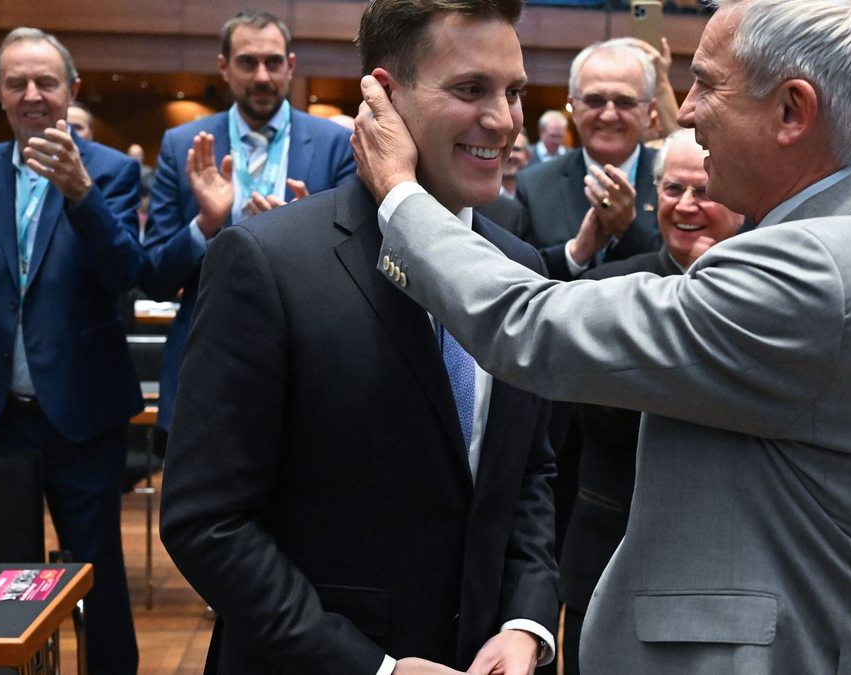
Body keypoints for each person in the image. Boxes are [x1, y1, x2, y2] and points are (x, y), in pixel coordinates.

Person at [351, 0, 851, 672]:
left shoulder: (821, 267)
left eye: (709, 84)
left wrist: (399, 196)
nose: (685, 111)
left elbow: (532, 328)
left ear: (792, 112)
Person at [158, 0, 558, 672]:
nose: (504, 120)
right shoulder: (266, 261)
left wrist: (526, 621)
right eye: (471, 89)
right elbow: (208, 522)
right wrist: (374, 668)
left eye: (514, 91)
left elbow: (527, 475)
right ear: (383, 96)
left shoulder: (520, 267)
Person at [0, 28, 144, 675]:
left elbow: (126, 274)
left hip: (80, 414)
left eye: (46, 82)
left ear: (71, 91)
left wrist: (83, 196)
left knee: (96, 576)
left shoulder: (112, 170)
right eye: (16, 82)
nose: (33, 94)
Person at [559, 128, 742, 675]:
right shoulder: (611, 288)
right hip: (612, 543)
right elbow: (595, 412)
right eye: (671, 189)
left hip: (726, 561)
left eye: (704, 191)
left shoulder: (772, 292)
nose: (686, 206)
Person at [140, 10, 355, 437]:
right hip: (206, 363)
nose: (262, 75)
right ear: (224, 67)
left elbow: (359, 269)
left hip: (308, 361)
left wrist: (304, 234)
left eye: (273, 62)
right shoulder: (182, 144)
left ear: (291, 66)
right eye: (247, 62)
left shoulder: (335, 145)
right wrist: (206, 223)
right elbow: (154, 279)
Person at [514, 38, 661, 281]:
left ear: (648, 110)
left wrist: (628, 230)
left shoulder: (678, 181)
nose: (609, 114)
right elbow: (518, 281)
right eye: (595, 100)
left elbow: (685, 271)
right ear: (572, 106)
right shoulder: (533, 186)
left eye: (625, 101)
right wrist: (576, 253)